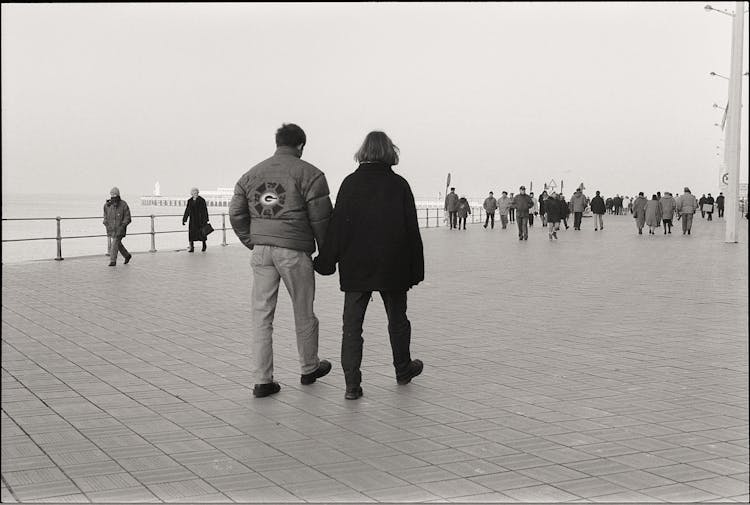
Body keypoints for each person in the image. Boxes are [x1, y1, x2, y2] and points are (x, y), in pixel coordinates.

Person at [314, 131, 424, 400]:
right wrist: (416, 269)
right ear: (390, 152)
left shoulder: (350, 183)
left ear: (363, 152)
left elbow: (338, 226)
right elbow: (412, 230)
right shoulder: (399, 185)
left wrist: (326, 261)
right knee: (398, 321)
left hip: (356, 266)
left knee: (352, 327)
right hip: (393, 265)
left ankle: (352, 385)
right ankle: (402, 369)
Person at [228, 123, 333, 398]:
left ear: (277, 143)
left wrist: (252, 240)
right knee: (303, 310)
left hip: (262, 251)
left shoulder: (251, 174)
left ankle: (263, 380)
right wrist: (327, 253)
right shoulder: (310, 174)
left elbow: (236, 213)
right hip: (294, 251)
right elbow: (321, 220)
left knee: (261, 315)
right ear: (300, 145)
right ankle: (309, 368)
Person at [103, 187, 132, 266]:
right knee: (117, 244)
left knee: (115, 243)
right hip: (111, 229)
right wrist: (106, 224)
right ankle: (127, 255)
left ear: (118, 194)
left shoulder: (123, 204)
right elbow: (105, 217)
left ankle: (113, 261)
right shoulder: (107, 205)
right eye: (112, 194)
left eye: (115, 194)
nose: (113, 196)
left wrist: (123, 225)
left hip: (120, 229)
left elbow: (128, 217)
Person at [182, 187, 209, 252]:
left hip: (200, 220)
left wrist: (206, 219)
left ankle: (204, 245)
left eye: (196, 193)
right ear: (191, 193)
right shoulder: (190, 201)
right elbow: (187, 210)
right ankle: (192, 247)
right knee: (191, 234)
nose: (195, 194)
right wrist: (184, 219)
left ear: (198, 193)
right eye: (194, 193)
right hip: (193, 220)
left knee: (202, 233)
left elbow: (205, 210)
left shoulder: (202, 200)